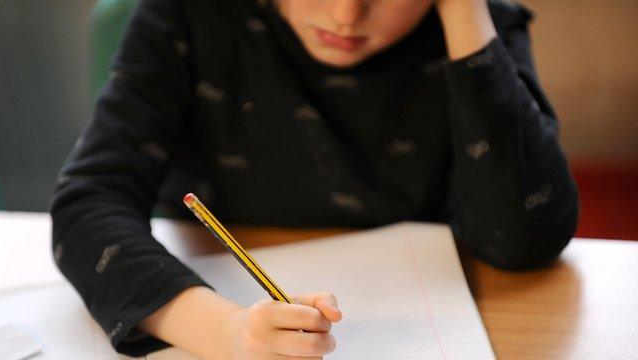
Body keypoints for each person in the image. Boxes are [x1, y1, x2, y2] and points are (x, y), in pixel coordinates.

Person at [50, 0, 579, 358]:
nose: (346, 14)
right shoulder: (190, 14)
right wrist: (228, 332)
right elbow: (88, 204)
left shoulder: (477, 27)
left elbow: (525, 239)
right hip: (229, 292)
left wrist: (466, 19)